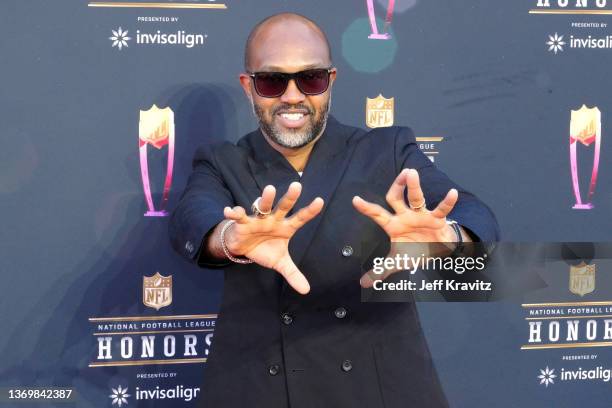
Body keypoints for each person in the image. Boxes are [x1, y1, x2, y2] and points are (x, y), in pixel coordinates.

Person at [169, 12, 499, 408]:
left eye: (311, 79)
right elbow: (192, 217)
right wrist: (229, 238)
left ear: (332, 81)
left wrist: (450, 239)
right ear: (248, 86)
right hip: (263, 386)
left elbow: (477, 216)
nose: (293, 97)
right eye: (272, 82)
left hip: (374, 389)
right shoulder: (223, 162)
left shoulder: (387, 151)